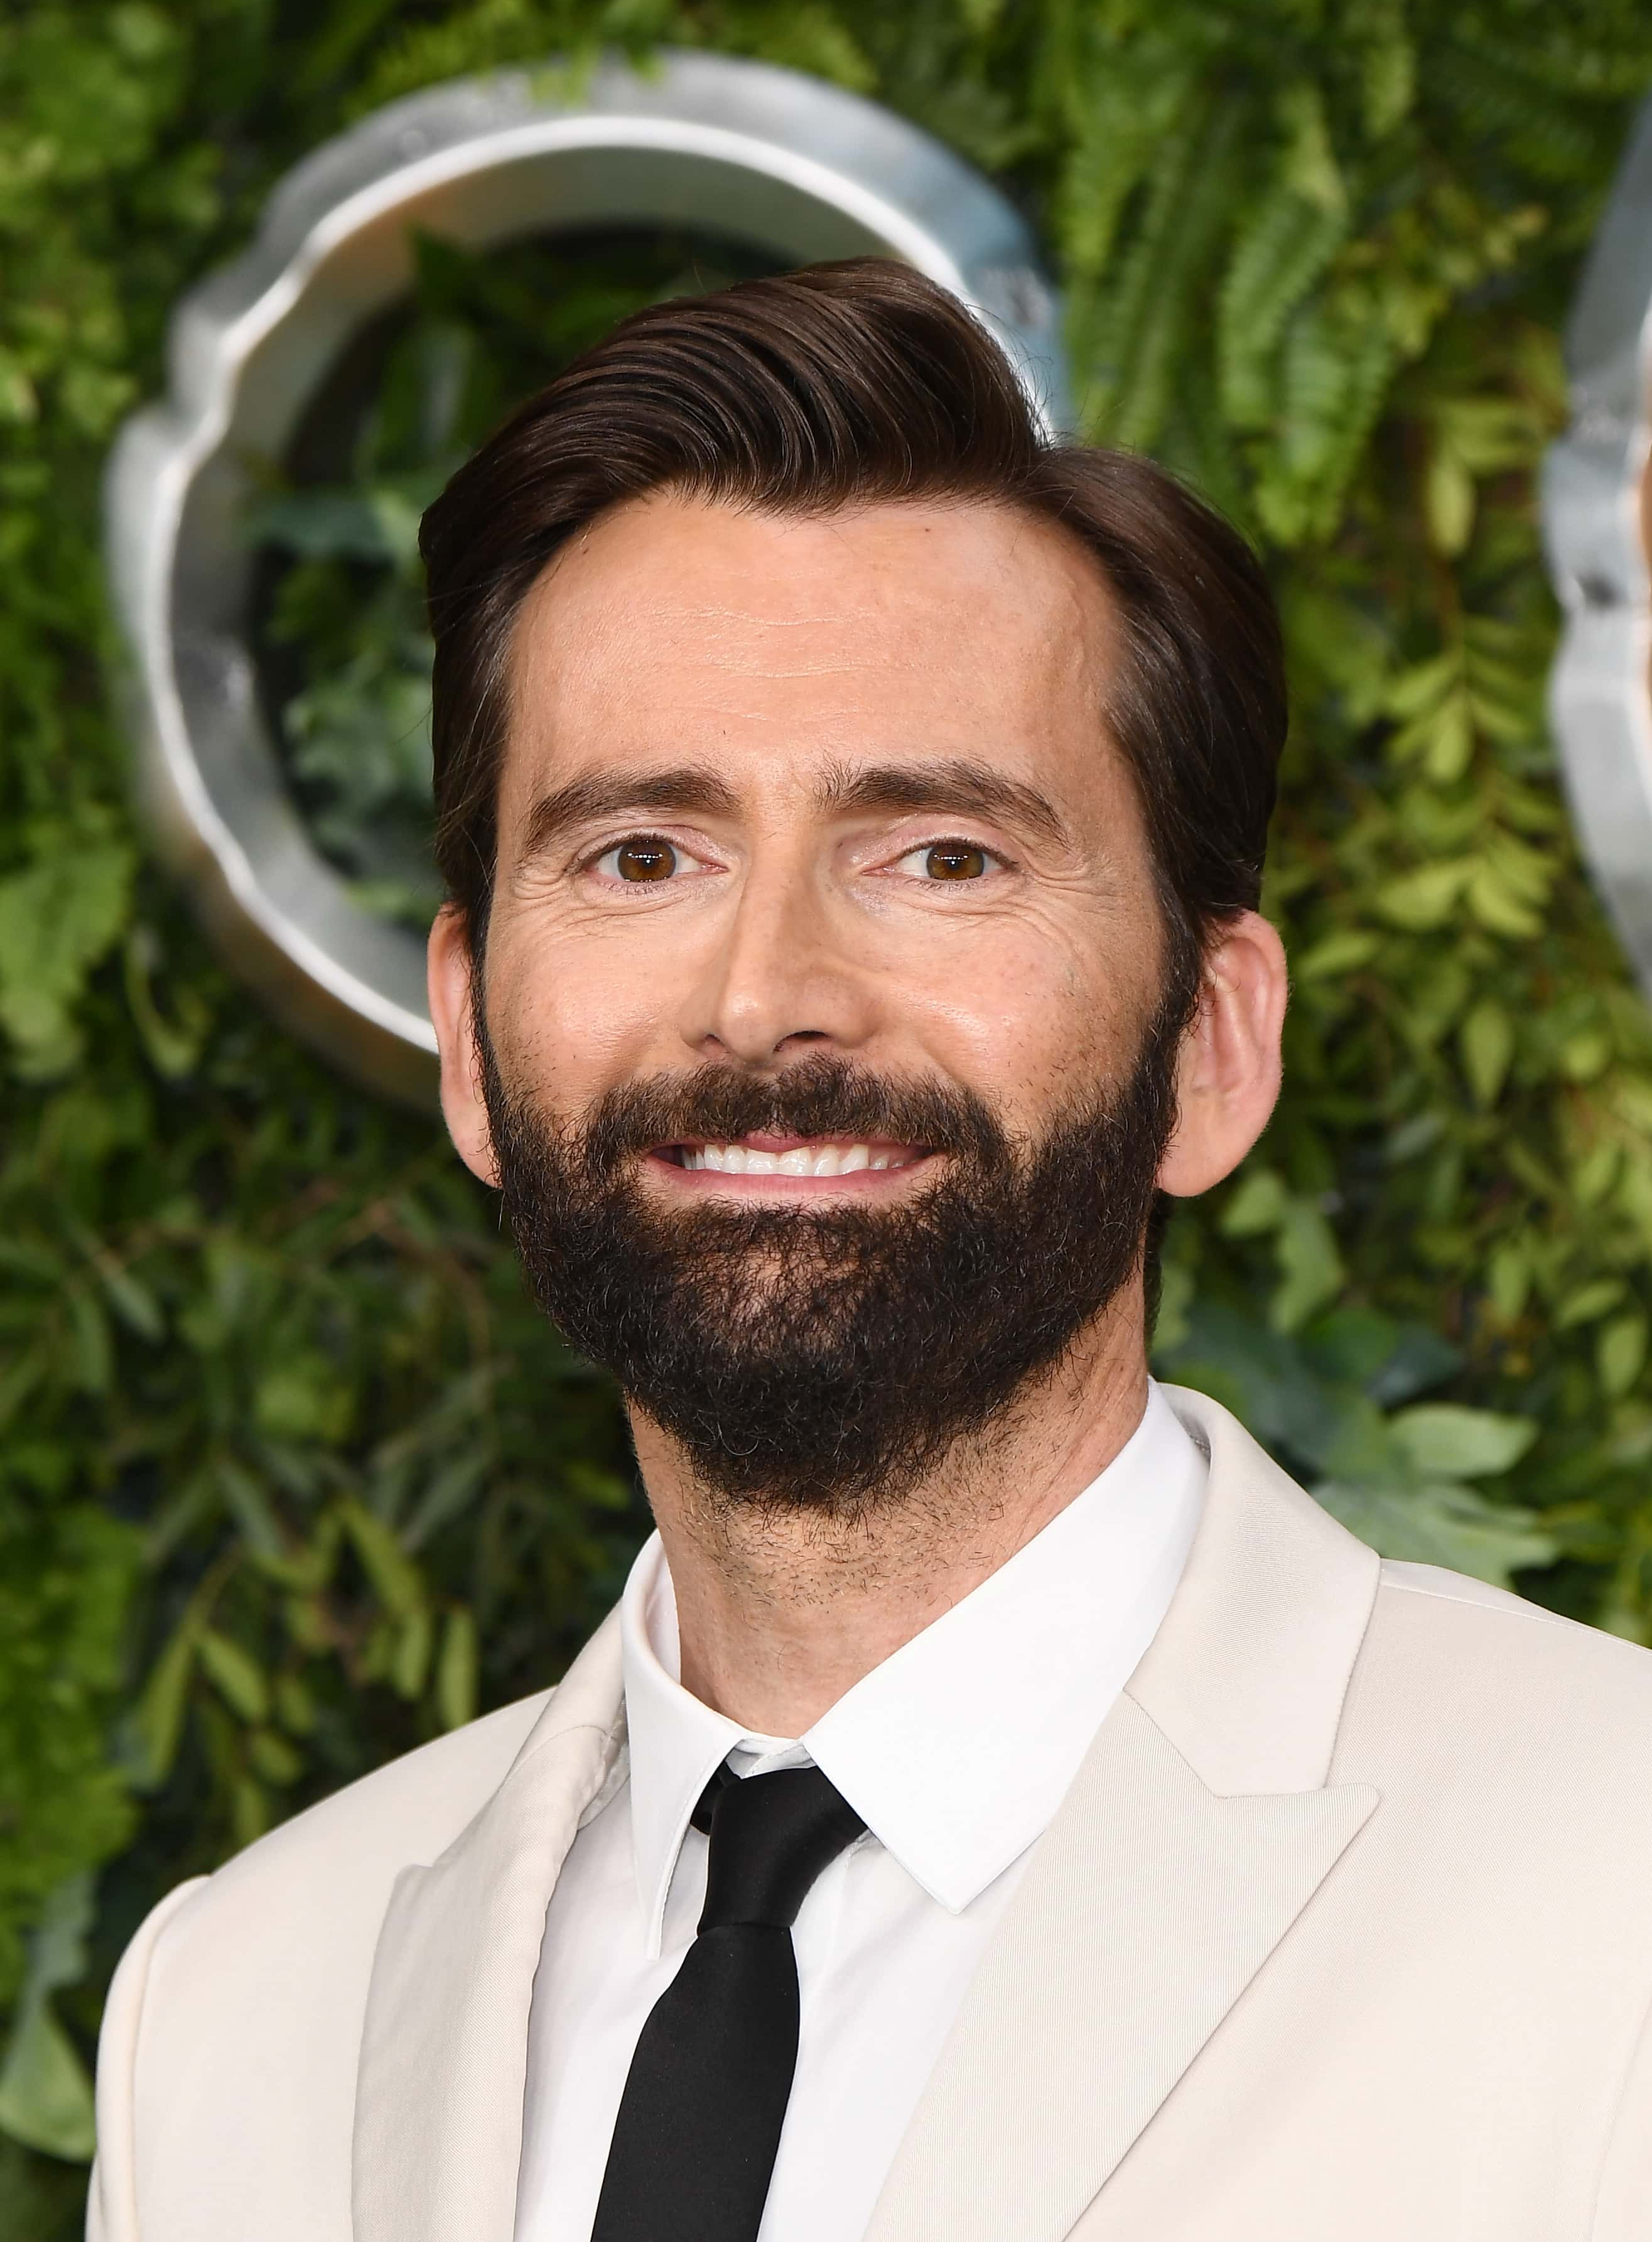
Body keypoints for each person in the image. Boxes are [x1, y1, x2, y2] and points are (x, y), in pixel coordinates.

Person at [90, 259, 1652, 2242]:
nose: (767, 997)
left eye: (941, 857)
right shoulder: (233, 2014)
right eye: (643, 856)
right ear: (471, 1043)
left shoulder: (1613, 1894)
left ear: (1210, 1043)